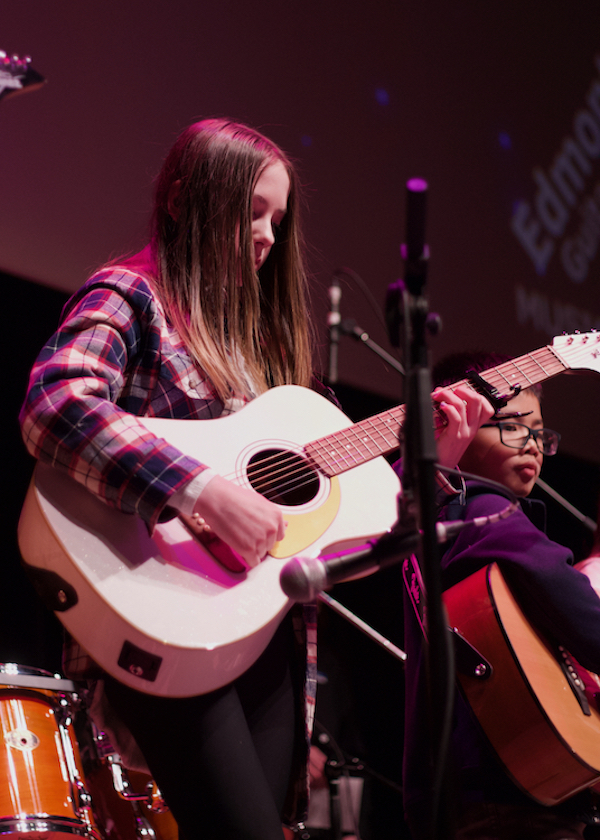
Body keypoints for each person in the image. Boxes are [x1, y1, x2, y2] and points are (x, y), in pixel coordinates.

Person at [18, 118, 491, 840]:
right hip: (162, 611)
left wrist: (441, 461)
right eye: (252, 214)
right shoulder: (131, 294)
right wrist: (200, 490)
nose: (269, 235)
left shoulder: (270, 360)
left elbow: (343, 510)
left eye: (279, 218)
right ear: (180, 199)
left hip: (263, 632)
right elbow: (56, 401)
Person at [402, 350, 600, 840]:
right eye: (511, 426)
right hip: (506, 788)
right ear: (455, 425)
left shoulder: (435, 521)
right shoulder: (484, 512)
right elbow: (584, 616)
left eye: (539, 431)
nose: (531, 444)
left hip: (474, 787)